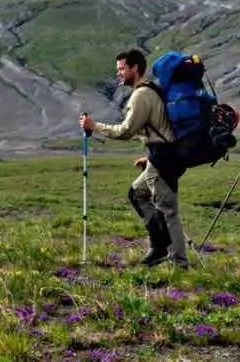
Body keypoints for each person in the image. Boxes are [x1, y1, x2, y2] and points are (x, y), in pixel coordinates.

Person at [79, 49, 188, 268]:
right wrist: (149, 158)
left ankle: (179, 263)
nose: (118, 73)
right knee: (137, 193)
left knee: (168, 211)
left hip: (163, 158)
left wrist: (95, 126)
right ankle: (159, 246)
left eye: (121, 68)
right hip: (158, 157)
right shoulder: (150, 91)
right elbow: (159, 129)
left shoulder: (142, 95)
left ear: (135, 68)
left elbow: (126, 130)